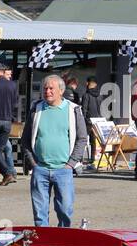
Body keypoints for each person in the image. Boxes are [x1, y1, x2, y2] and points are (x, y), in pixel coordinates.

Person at [20, 74, 88, 228]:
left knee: (65, 209)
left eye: (51, 88)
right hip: (40, 169)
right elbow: (25, 140)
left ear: (61, 91)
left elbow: (82, 138)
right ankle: (43, 240)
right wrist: (33, 163)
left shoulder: (73, 110)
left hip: (63, 169)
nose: (47, 91)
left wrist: (70, 164)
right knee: (39, 212)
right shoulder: (36, 109)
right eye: (45, 88)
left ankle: (63, 239)